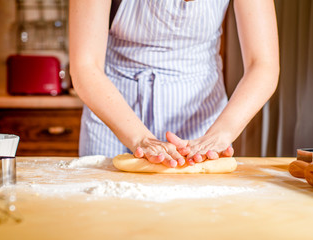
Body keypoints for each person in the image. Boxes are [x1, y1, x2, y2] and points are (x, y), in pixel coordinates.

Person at [69, 0, 279, 168]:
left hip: (204, 125)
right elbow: (85, 66)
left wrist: (222, 133)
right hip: (116, 121)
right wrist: (140, 139)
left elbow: (262, 64)